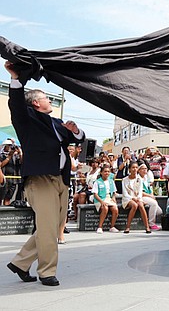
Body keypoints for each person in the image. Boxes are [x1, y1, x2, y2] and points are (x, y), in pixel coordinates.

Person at [5, 60, 85, 287]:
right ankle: (47, 272)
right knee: (49, 228)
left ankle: (20, 263)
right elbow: (16, 104)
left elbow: (77, 139)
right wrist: (15, 79)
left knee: (52, 224)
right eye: (48, 99)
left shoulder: (57, 123)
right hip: (40, 180)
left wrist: (75, 131)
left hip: (61, 179)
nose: (51, 101)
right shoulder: (26, 120)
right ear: (36, 103)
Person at [121, 162, 151, 234]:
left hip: (137, 198)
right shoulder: (125, 180)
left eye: (136, 167)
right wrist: (132, 198)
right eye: (133, 167)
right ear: (129, 169)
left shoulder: (139, 179)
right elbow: (125, 193)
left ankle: (147, 226)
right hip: (128, 198)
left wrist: (138, 198)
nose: (135, 169)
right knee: (134, 205)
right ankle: (128, 227)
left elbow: (140, 191)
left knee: (140, 205)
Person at [92, 164, 120, 234]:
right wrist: (101, 201)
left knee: (115, 209)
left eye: (108, 171)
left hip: (108, 198)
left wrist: (113, 198)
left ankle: (112, 226)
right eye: (105, 171)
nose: (107, 173)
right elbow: (95, 194)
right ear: (101, 172)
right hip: (100, 198)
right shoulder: (97, 182)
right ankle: (100, 227)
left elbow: (113, 192)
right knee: (105, 208)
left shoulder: (111, 181)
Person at [138, 163, 162, 231]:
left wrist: (152, 195)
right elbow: (140, 192)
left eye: (146, 169)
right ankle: (151, 224)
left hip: (148, 196)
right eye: (143, 169)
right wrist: (150, 196)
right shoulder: (138, 179)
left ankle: (147, 219)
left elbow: (149, 188)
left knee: (159, 211)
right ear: (139, 170)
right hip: (141, 196)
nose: (145, 170)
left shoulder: (146, 178)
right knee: (154, 204)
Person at [1, 139, 23, 205]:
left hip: (13, 179)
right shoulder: (1, 155)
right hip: (4, 179)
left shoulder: (15, 156)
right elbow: (1, 165)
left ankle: (7, 213)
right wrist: (9, 157)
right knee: (1, 197)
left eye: (11, 146)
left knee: (8, 197)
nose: (10, 147)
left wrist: (20, 152)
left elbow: (21, 162)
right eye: (9, 145)